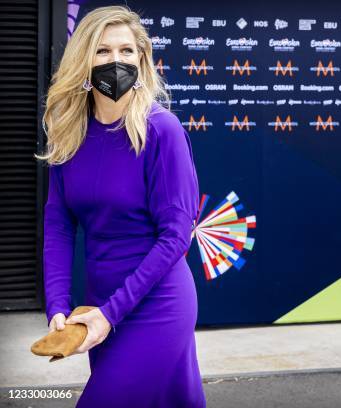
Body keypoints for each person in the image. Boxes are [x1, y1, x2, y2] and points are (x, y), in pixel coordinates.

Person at [38, 6, 205, 407]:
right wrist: (57, 305)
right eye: (103, 51)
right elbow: (59, 225)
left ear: (142, 60)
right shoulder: (69, 133)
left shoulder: (161, 130)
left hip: (157, 305)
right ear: (83, 60)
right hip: (98, 305)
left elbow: (175, 237)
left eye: (127, 51)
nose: (116, 62)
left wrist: (110, 314)